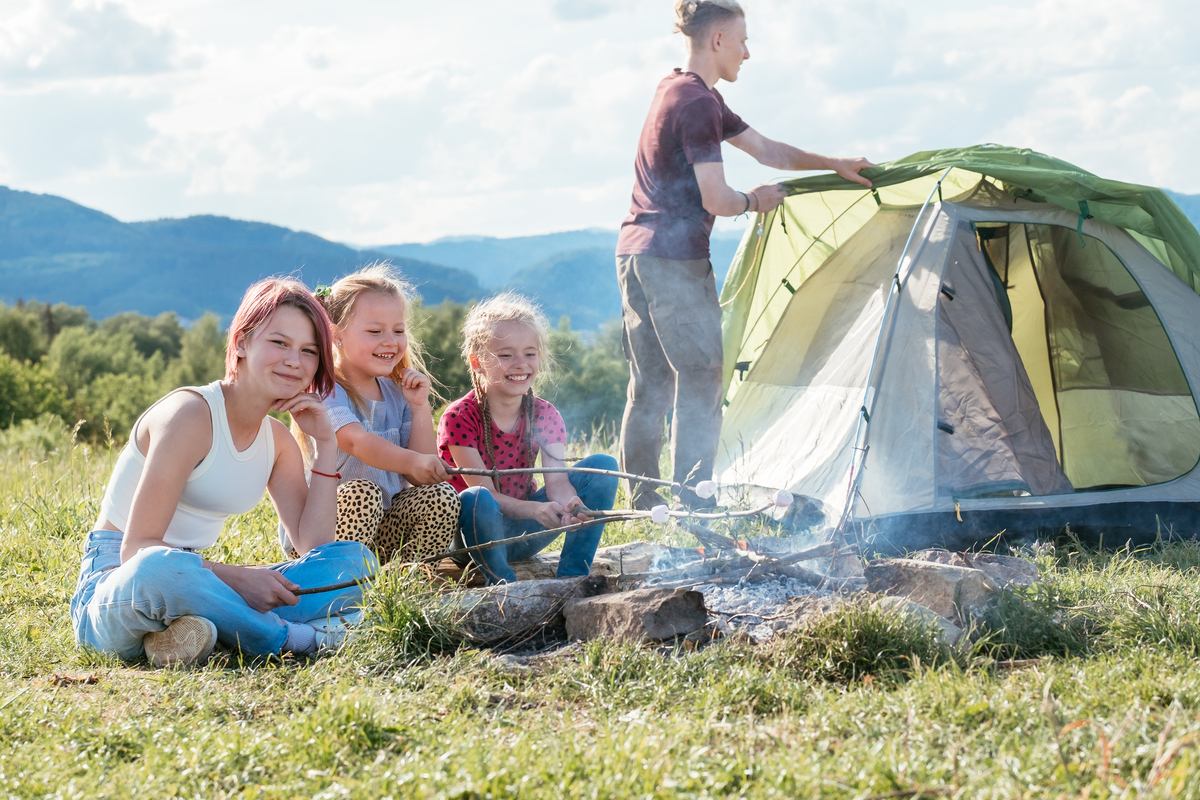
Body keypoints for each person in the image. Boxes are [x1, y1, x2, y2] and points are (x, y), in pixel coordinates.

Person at [616, 0, 876, 508]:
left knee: (649, 384)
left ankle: (645, 504)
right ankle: (695, 500)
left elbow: (767, 150)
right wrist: (755, 202)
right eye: (742, 40)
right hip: (674, 259)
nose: (748, 53)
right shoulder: (697, 104)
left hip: (634, 251)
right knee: (702, 377)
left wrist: (834, 163)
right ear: (717, 40)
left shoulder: (678, 90)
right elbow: (717, 197)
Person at [70, 278, 377, 668]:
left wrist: (326, 445)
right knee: (163, 567)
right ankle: (294, 638)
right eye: (279, 343)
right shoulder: (190, 414)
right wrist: (237, 579)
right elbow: (138, 551)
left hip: (199, 582)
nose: (294, 361)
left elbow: (314, 545)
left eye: (309, 351)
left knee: (353, 563)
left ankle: (192, 630)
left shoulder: (277, 440)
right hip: (118, 586)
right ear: (243, 342)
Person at [437, 292, 618, 585]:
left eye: (530, 354)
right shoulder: (459, 417)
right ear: (477, 362)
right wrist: (536, 509)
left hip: (524, 533)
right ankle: (504, 586)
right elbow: (487, 495)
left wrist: (572, 504)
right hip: (471, 540)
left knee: (602, 466)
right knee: (476, 498)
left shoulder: (545, 414)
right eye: (506, 355)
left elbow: (557, 481)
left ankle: (572, 580)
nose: (520, 364)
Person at [291, 264, 460, 565]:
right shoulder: (325, 390)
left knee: (442, 496)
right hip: (322, 536)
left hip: (384, 530)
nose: (390, 341)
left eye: (398, 330)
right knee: (362, 494)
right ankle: (341, 585)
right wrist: (414, 461)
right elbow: (356, 442)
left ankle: (410, 584)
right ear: (336, 334)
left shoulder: (397, 391)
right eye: (375, 331)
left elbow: (420, 477)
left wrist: (420, 407)